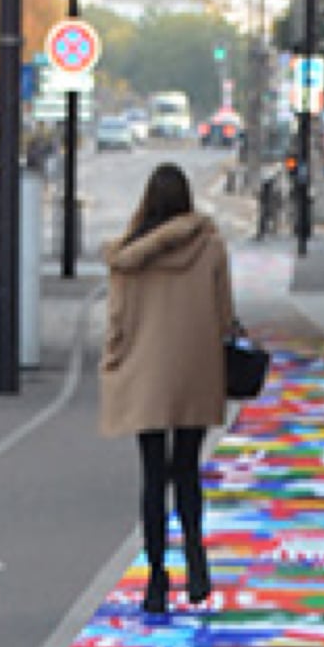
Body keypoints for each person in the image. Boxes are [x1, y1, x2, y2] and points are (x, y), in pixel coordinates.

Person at [100, 161, 236, 619]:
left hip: (146, 372)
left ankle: (157, 577)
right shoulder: (211, 247)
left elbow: (117, 322)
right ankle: (196, 560)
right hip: (195, 368)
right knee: (188, 470)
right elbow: (223, 316)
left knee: (153, 476)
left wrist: (116, 360)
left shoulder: (130, 258)